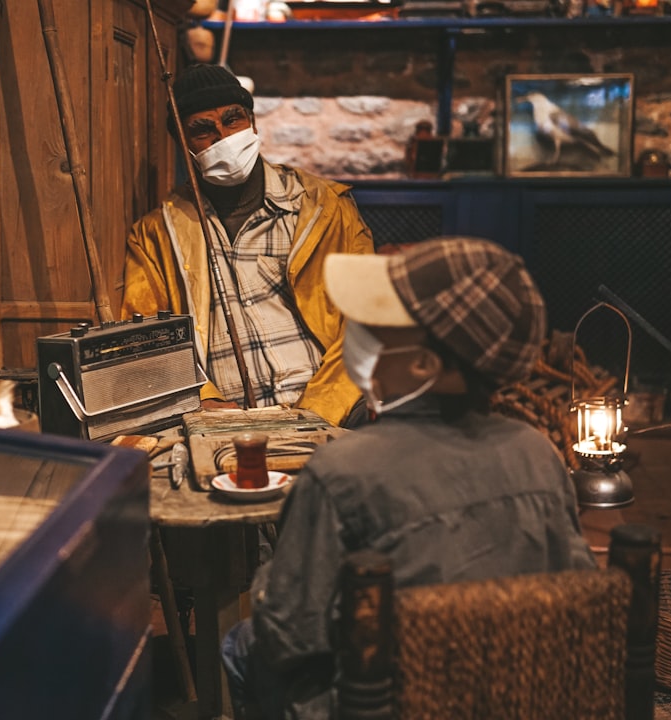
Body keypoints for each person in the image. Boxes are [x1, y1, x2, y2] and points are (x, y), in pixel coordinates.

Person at [221, 237, 597, 719]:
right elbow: (577, 593)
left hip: (383, 706)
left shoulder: (341, 473)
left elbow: (290, 634)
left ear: (425, 364)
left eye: (380, 325)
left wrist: (268, 584)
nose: (361, 334)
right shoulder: (538, 454)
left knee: (241, 642)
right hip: (513, 696)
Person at [120, 63, 374, 427]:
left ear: (252, 123)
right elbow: (145, 339)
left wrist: (318, 411)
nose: (222, 137)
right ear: (182, 143)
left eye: (232, 119)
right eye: (202, 130)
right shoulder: (156, 235)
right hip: (228, 425)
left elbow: (365, 318)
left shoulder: (323, 207)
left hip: (334, 411)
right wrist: (202, 399)